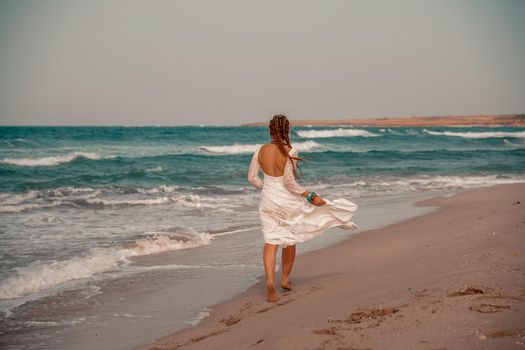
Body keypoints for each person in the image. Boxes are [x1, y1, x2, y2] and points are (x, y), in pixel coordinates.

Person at [248, 114, 358, 302]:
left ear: (270, 130)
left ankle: (269, 284)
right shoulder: (291, 151)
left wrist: (266, 188)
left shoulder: (260, 150)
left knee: (270, 241)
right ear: (287, 130)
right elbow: (289, 183)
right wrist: (309, 195)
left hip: (268, 202)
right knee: (289, 240)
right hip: (287, 202)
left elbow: (252, 177)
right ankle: (284, 279)